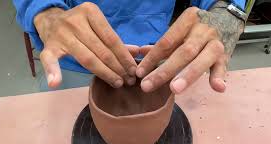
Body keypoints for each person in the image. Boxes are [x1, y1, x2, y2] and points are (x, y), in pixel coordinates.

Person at [13, 0, 246, 94]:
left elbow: (226, 7)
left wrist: (227, 10)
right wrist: (45, 12)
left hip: (156, 56)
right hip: (75, 54)